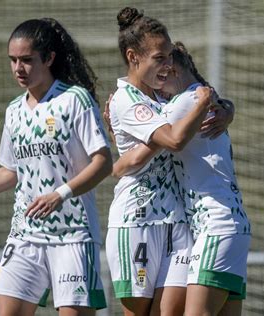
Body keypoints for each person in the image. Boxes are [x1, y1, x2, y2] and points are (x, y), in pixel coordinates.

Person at [0, 18, 112, 316]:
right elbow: (10, 171)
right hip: (25, 234)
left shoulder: (75, 100)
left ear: (48, 58)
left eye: (26, 60)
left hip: (72, 234)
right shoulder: (14, 111)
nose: (18, 68)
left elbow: (103, 163)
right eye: (13, 60)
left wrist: (59, 194)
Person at [112, 41, 251, 316]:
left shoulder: (182, 105)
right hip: (231, 226)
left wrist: (115, 167)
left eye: (161, 80)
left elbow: (140, 152)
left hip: (216, 224)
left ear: (173, 70)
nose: (158, 89)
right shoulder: (200, 100)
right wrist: (227, 107)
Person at [105, 7, 216, 316]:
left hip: (177, 220)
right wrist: (205, 102)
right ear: (133, 57)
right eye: (159, 58)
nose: (168, 65)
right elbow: (174, 139)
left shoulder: (163, 96)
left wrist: (226, 108)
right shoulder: (126, 99)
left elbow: (197, 93)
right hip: (137, 221)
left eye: (169, 56)